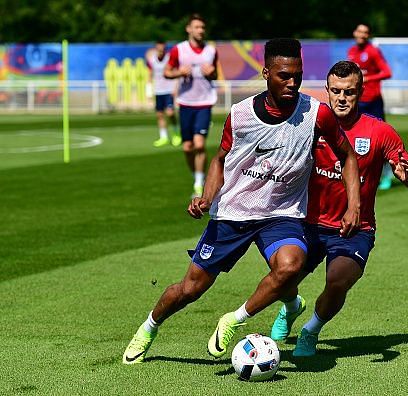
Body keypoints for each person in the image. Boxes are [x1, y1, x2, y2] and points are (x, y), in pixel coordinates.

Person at [122, 39, 361, 364]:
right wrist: (206, 197)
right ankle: (149, 327)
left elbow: (347, 155)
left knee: (291, 265)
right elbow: (220, 160)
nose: (292, 83)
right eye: (284, 76)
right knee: (190, 289)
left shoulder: (317, 114)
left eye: (298, 76)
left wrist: (353, 205)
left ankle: (233, 320)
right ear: (266, 73)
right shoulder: (241, 115)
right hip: (233, 213)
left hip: (282, 213)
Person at [269, 60, 408, 357]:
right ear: (327, 90)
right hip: (307, 223)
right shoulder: (308, 125)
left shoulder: (380, 132)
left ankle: (310, 331)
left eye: (349, 92)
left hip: (355, 229)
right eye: (336, 91)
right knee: (281, 276)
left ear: (361, 92)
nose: (342, 98)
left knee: (337, 280)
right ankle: (291, 306)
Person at [164, 14, 218, 197]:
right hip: (186, 102)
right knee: (187, 147)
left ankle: (199, 183)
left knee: (199, 144)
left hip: (205, 102)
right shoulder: (179, 50)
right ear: (188, 29)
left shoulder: (211, 51)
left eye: (202, 27)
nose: (200, 30)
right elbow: (166, 72)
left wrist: (212, 73)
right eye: (197, 27)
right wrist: (179, 72)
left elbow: (215, 74)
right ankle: (196, 174)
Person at [348, 23, 395, 190]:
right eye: (360, 31)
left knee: (379, 141)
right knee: (353, 140)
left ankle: (387, 175)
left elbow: (387, 72)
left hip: (373, 101)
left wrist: (368, 79)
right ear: (355, 32)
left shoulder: (373, 51)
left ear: (368, 35)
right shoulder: (352, 52)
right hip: (357, 101)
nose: (362, 34)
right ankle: (359, 176)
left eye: (366, 32)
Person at [146, 40, 180, 148]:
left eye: (162, 49)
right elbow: (150, 75)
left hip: (169, 90)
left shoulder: (170, 58)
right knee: (159, 115)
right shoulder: (152, 60)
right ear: (156, 49)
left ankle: (176, 134)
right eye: (159, 49)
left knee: (170, 113)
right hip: (158, 91)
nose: (161, 51)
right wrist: (149, 91)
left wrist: (175, 88)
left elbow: (175, 72)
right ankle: (163, 137)